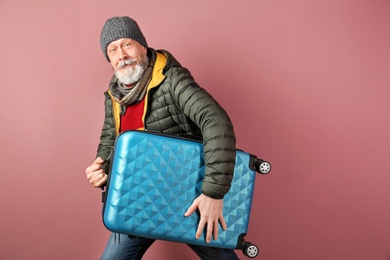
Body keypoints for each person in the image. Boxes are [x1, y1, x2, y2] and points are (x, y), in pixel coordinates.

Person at [85, 16, 239, 260]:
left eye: (127, 44)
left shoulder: (172, 79)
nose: (121, 55)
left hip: (185, 197)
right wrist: (101, 169)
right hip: (136, 200)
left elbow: (216, 123)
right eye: (112, 50)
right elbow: (109, 142)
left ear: (142, 47)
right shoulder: (113, 95)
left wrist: (213, 194)